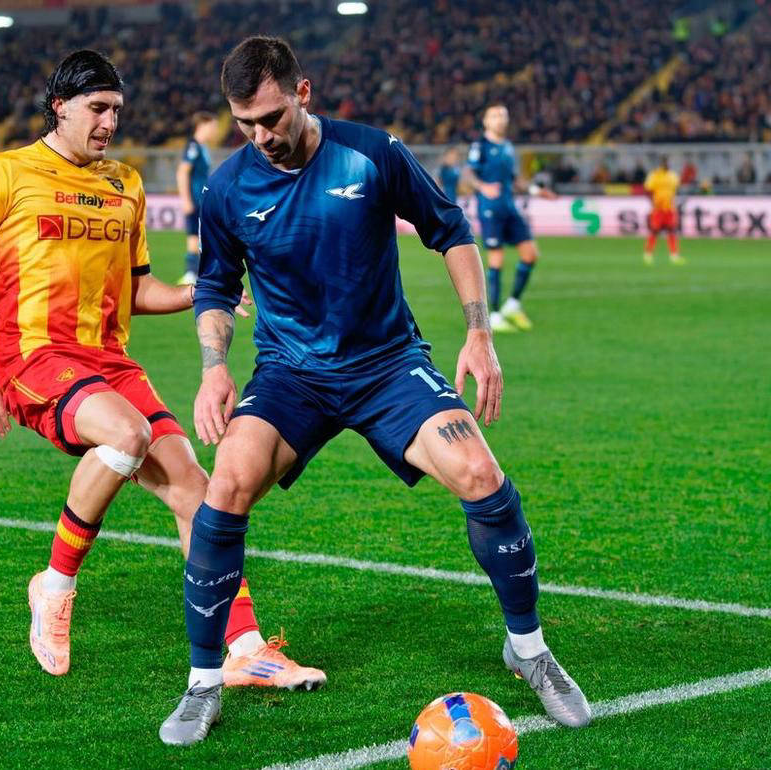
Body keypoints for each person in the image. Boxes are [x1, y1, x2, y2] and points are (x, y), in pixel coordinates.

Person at [158, 36, 590, 747]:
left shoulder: (371, 153)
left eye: (271, 117)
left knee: (481, 475)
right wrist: (213, 366)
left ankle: (529, 649)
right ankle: (205, 681)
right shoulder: (227, 186)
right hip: (292, 374)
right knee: (225, 486)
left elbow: (450, 230)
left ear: (303, 92)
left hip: (388, 365)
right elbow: (214, 285)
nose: (260, 136)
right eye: (244, 124)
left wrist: (478, 333)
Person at [0, 49, 323, 690]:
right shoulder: (4, 173)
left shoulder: (125, 185)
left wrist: (202, 292)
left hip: (109, 362)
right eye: (97, 108)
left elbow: (137, 289)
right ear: (59, 107)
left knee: (196, 489)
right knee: (127, 433)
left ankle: (245, 648)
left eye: (116, 109)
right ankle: (55, 585)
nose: (110, 122)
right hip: (31, 356)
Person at [464, 104, 552, 334]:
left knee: (530, 254)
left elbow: (514, 179)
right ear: (486, 121)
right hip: (490, 209)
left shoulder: (508, 147)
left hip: (510, 208)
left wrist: (535, 190)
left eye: (503, 115)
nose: (500, 119)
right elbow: (468, 174)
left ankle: (512, 305)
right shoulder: (480, 146)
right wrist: (482, 186)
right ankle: (493, 315)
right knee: (496, 260)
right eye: (495, 116)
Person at [176, 111, 219, 285]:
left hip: (202, 199)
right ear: (202, 126)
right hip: (194, 199)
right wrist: (186, 200)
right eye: (212, 126)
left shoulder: (202, 147)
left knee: (200, 236)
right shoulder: (193, 146)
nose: (214, 130)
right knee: (195, 235)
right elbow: (182, 172)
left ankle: (195, 272)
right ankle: (191, 273)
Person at [642, 156, 683, 265]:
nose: (666, 164)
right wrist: (653, 203)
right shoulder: (654, 175)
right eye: (664, 162)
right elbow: (648, 190)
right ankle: (648, 254)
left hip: (669, 208)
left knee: (672, 230)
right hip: (658, 208)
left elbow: (676, 189)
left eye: (667, 162)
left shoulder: (673, 176)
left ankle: (674, 256)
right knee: (655, 230)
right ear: (661, 164)